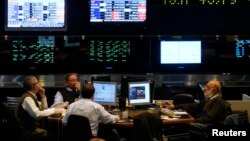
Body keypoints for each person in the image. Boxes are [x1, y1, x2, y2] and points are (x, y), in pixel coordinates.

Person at [165, 79, 232, 141]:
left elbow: (208, 119)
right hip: (204, 124)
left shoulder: (219, 102)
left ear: (214, 90)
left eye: (207, 87)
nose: (204, 89)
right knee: (181, 124)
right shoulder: (209, 100)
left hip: (210, 128)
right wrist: (174, 106)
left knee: (183, 124)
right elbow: (194, 106)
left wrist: (192, 121)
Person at [15, 75, 64, 141]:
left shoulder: (32, 96)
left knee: (54, 133)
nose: (40, 84)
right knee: (55, 135)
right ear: (33, 86)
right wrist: (55, 110)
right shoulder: (28, 98)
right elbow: (37, 115)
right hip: (28, 131)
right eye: (38, 83)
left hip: (32, 128)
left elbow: (44, 108)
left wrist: (43, 96)